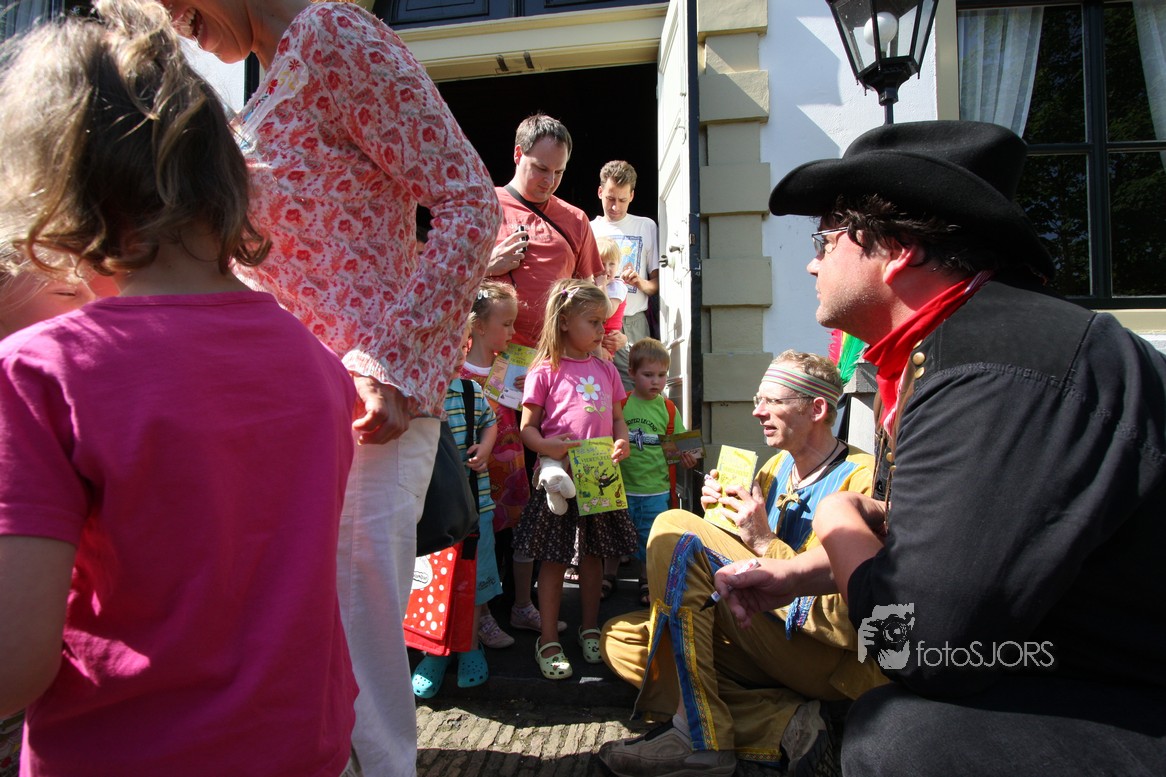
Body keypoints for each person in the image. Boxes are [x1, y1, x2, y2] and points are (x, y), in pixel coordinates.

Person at [719, 120, 1166, 775]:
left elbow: (921, 645)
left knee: (901, 737)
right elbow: (942, 544)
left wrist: (835, 518)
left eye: (827, 239)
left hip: (1133, 698)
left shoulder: (996, 366)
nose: (813, 262)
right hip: (1083, 673)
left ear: (899, 249)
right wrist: (796, 574)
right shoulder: (965, 346)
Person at [0, 2, 358, 775]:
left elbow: (13, 662)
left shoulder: (42, 374)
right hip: (301, 748)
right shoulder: (318, 366)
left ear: (62, 195)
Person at [165, 0, 500, 772]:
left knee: (354, 670)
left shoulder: (332, 35)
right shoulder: (272, 77)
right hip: (287, 414)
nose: (172, 16)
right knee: (304, 659)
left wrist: (389, 361)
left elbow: (468, 201)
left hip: (363, 418)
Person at [596, 352, 885, 777]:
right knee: (623, 638)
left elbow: (847, 618)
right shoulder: (776, 467)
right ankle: (784, 723)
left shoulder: (861, 478)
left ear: (817, 409)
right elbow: (732, 563)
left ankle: (699, 740)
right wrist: (720, 519)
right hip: (763, 636)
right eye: (756, 399)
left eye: (772, 401)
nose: (757, 411)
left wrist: (763, 542)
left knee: (673, 526)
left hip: (826, 658)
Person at [516, 279, 638, 680]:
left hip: (598, 475)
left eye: (604, 322)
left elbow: (618, 419)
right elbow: (527, 429)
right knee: (552, 560)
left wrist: (622, 441)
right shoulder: (544, 370)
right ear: (565, 321)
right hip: (558, 480)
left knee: (593, 557)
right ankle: (548, 638)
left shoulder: (606, 368)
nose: (603, 329)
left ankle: (590, 628)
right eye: (594, 321)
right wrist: (546, 447)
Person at [460, 281, 566, 641]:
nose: (512, 331)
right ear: (478, 325)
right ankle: (482, 616)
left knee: (522, 537)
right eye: (505, 324)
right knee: (481, 542)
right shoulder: (457, 372)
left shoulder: (513, 365)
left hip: (513, 467)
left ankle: (522, 606)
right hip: (478, 473)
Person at [411, 370, 500, 698]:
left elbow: (490, 422)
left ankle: (469, 643)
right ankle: (434, 649)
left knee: (472, 583)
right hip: (428, 512)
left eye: (461, 347)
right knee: (431, 584)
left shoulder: (469, 390)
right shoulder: (413, 388)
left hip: (474, 506)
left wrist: (486, 447)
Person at [487, 114, 605, 349]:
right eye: (541, 168)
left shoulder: (576, 219)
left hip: (556, 357)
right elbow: (442, 284)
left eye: (559, 172)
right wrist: (487, 266)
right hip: (490, 359)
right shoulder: (483, 207)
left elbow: (589, 300)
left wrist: (596, 358)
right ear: (518, 154)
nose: (549, 181)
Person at [614, 337, 698, 606]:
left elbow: (684, 446)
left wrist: (688, 458)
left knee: (651, 538)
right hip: (621, 486)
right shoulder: (622, 404)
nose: (656, 381)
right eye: (648, 375)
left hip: (656, 488)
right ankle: (608, 575)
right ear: (631, 373)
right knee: (616, 534)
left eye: (662, 375)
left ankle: (647, 578)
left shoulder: (669, 409)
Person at [590, 160, 660, 389]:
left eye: (622, 200)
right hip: (598, 322)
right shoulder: (589, 229)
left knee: (641, 389)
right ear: (600, 192)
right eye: (610, 198)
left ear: (632, 196)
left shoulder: (646, 226)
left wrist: (639, 282)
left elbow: (656, 286)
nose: (615, 207)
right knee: (599, 387)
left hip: (635, 322)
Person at [597, 236, 629, 361]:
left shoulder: (618, 286)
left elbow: (606, 312)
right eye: (602, 263)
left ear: (618, 265)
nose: (606, 269)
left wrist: (602, 285)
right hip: (592, 339)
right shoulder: (591, 283)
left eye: (612, 264)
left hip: (607, 341)